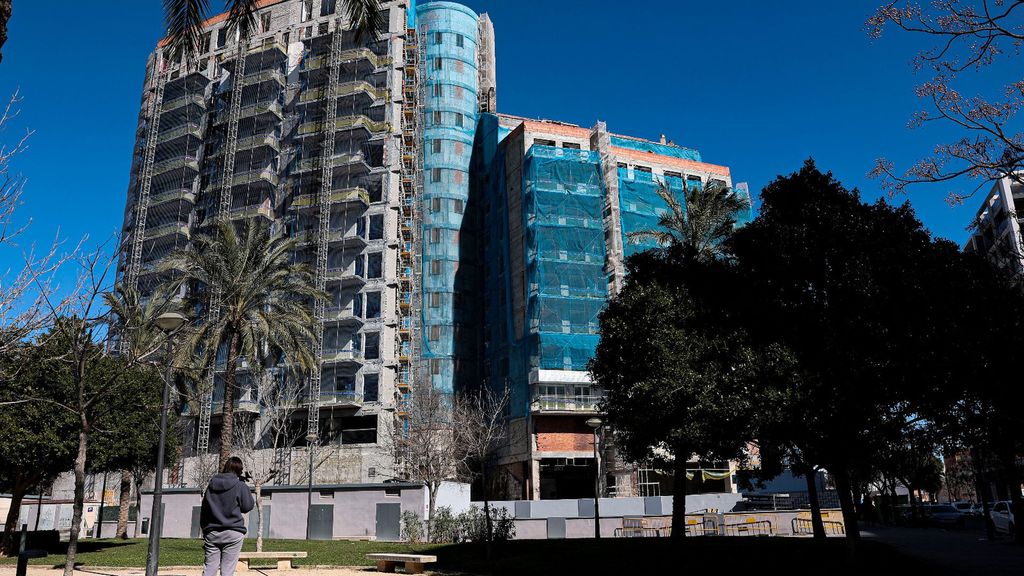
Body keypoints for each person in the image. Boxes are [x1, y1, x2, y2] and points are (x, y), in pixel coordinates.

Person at [200, 457, 254, 576]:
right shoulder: (240, 486)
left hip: (212, 532)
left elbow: (204, 509)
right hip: (233, 532)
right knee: (227, 570)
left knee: (209, 568)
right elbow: (247, 506)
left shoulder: (211, 486)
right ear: (240, 470)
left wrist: (205, 529)